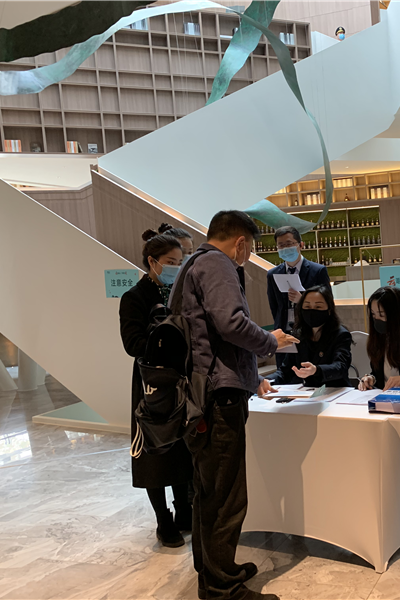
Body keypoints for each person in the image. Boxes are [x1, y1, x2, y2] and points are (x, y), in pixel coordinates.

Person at [170, 210, 296, 600]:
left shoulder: (192, 264)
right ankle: (222, 589)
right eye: (250, 249)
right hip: (218, 401)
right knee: (226, 497)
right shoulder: (218, 264)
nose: (247, 256)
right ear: (240, 243)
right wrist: (271, 341)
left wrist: (250, 375)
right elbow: (232, 324)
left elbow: (210, 337)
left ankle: (213, 572)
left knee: (208, 492)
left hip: (202, 395)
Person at [119, 230, 192, 548]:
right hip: (151, 385)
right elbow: (132, 344)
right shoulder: (135, 297)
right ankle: (163, 520)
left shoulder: (181, 292)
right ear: (152, 261)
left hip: (180, 379)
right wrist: (163, 334)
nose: (176, 267)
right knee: (154, 451)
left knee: (181, 447)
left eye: (180, 261)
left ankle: (184, 510)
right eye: (171, 262)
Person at [266, 226, 329, 367]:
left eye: (289, 244)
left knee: (308, 371)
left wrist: (303, 300)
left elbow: (328, 302)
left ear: (301, 245)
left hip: (310, 331)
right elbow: (274, 306)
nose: (285, 248)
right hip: (284, 332)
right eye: (281, 245)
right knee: (284, 371)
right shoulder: (273, 274)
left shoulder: (318, 271)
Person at [269, 285, 352, 388]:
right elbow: (286, 370)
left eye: (318, 307)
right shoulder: (298, 334)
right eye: (307, 307)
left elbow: (341, 367)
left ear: (329, 309)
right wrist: (267, 381)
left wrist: (316, 370)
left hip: (336, 390)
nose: (312, 311)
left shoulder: (341, 334)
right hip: (308, 392)